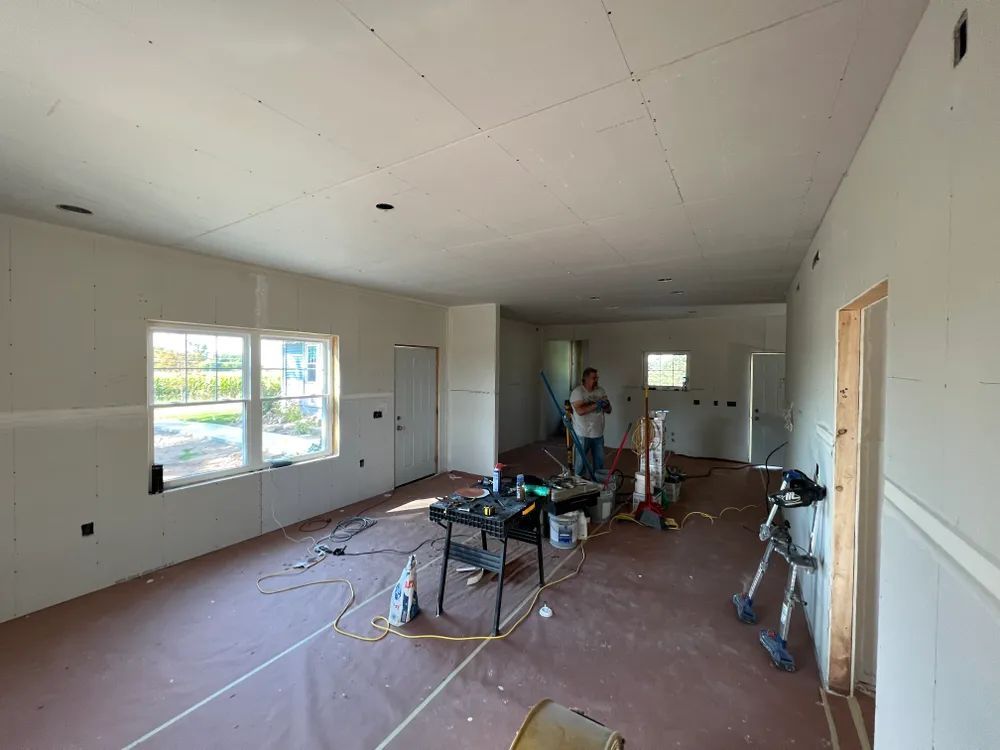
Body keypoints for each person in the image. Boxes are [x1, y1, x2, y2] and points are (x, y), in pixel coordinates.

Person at [569, 367, 611, 479]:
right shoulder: (578, 392)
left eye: (597, 377)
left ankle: (598, 486)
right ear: (586, 378)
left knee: (599, 465)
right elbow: (580, 411)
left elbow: (609, 410)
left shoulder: (601, 391)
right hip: (582, 433)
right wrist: (597, 404)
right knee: (580, 464)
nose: (596, 380)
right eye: (593, 378)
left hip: (598, 433)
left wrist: (606, 405)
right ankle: (579, 485)